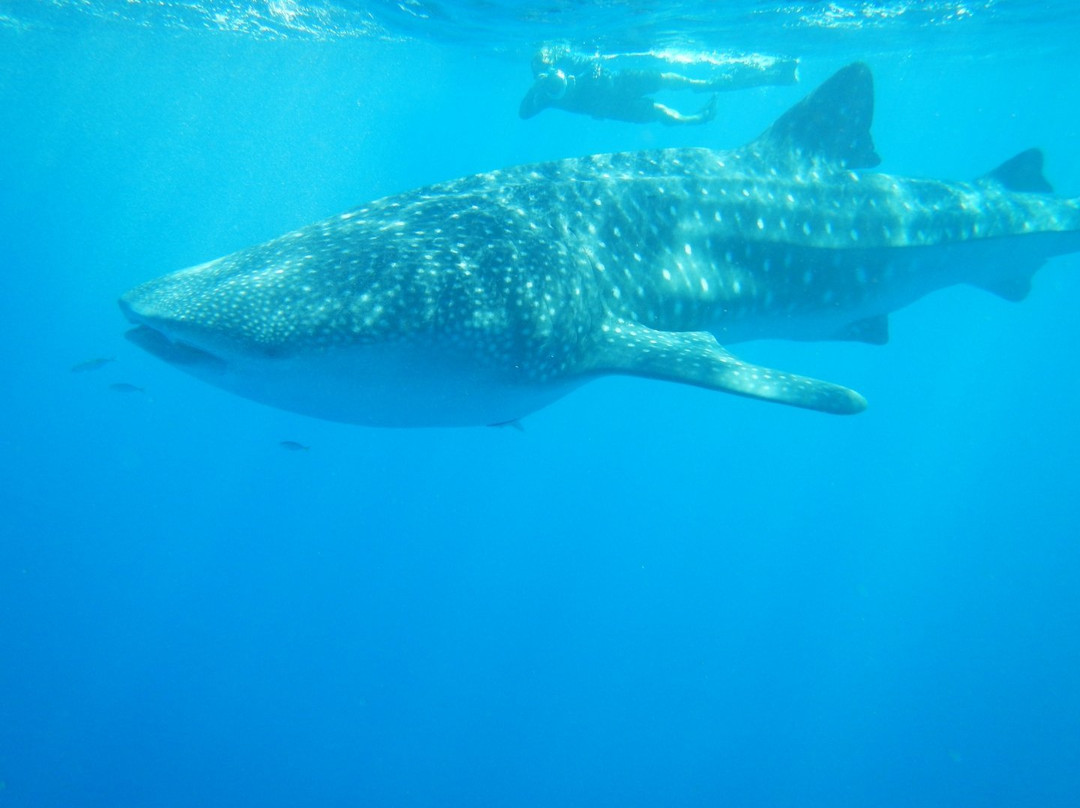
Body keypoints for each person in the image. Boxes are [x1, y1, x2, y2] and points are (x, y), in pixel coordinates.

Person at [519, 43, 799, 126]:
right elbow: (523, 113)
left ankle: (700, 84)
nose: (561, 85)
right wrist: (535, 91)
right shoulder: (543, 96)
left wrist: (545, 58)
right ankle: (696, 119)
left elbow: (556, 53)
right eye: (556, 89)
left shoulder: (555, 65)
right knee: (658, 112)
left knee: (665, 79)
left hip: (618, 81)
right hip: (611, 106)